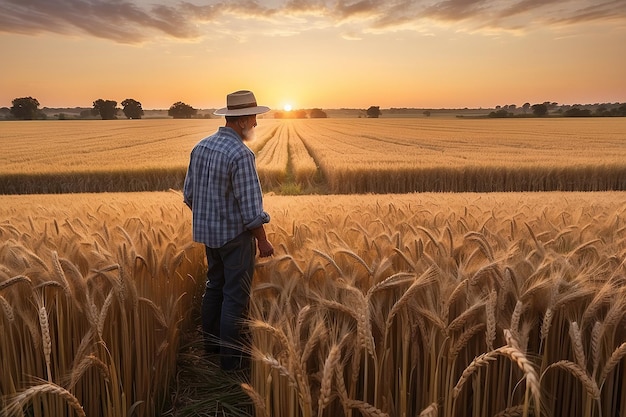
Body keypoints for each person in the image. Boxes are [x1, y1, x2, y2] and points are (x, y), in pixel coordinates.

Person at [183, 90, 274, 371]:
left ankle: (212, 345)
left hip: (209, 235)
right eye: (255, 118)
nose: (256, 124)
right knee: (235, 296)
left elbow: (189, 195)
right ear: (243, 120)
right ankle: (231, 361)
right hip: (235, 238)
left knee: (215, 287)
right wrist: (263, 241)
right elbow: (250, 210)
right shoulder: (241, 154)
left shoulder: (201, 147)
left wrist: (210, 219)